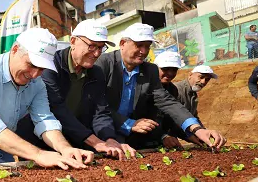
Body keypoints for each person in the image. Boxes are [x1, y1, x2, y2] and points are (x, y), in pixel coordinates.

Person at [0, 28, 94, 169]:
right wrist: (38, 154)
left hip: (2, 154)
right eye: (32, 65)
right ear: (15, 49)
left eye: (42, 68)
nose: (35, 74)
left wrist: (65, 149)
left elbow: (45, 121)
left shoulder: (38, 84)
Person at [94, 23, 226, 150]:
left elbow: (166, 101)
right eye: (139, 45)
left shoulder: (149, 70)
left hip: (134, 138)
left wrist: (196, 128)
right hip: (104, 132)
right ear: (123, 43)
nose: (144, 51)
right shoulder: (103, 63)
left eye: (148, 46)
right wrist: (130, 123)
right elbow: (97, 106)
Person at [18, 19, 135, 160]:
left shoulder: (97, 73)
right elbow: (57, 109)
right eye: (92, 46)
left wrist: (109, 138)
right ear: (73, 41)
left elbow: (100, 112)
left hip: (74, 143)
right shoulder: (50, 65)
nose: (97, 53)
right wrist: (95, 141)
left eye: (101, 47)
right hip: (40, 141)